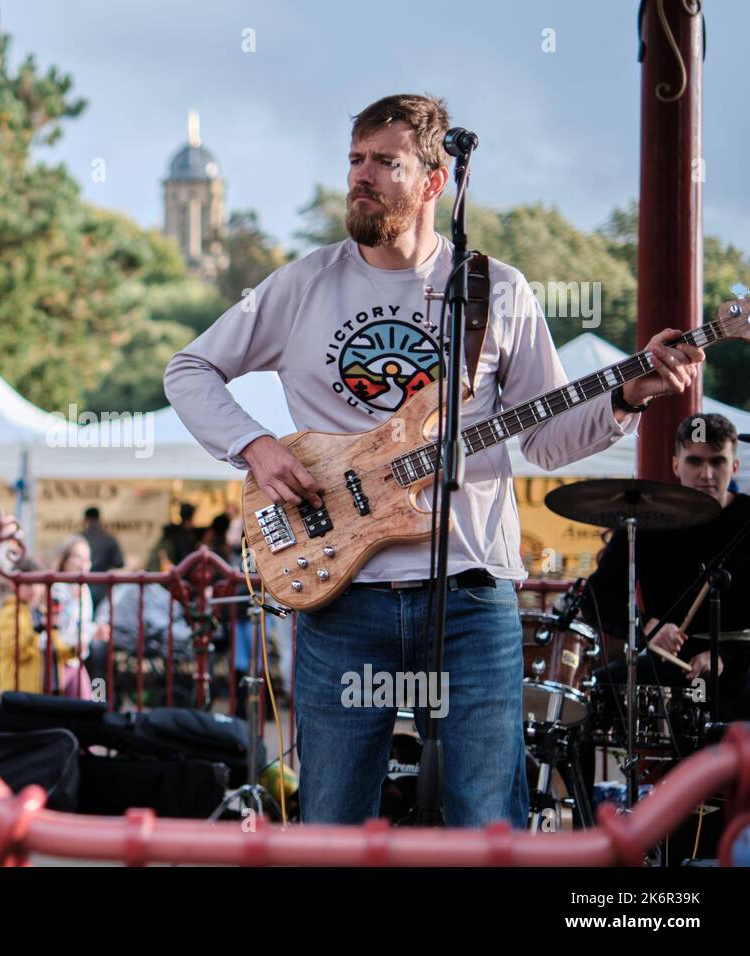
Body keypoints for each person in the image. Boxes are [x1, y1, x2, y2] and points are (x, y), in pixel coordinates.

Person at [164, 93, 703, 827]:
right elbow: (188, 369)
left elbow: (545, 438)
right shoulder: (301, 285)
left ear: (433, 181)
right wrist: (254, 445)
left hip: (471, 594)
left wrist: (625, 397)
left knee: (489, 819)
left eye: (384, 162)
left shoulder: (494, 290)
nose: (361, 176)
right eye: (354, 160)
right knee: (332, 821)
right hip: (340, 593)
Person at [585, 413, 750, 729]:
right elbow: (598, 597)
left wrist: (723, 656)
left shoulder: (748, 520)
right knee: (584, 700)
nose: (706, 473)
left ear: (734, 466)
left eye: (717, 461)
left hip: (741, 665)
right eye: (694, 461)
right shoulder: (646, 520)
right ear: (676, 465)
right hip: (667, 666)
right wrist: (646, 627)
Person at [51, 535, 111, 697]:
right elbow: (57, 628)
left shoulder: (84, 589)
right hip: (58, 662)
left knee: (86, 705)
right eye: (78, 557)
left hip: (77, 661)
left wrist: (95, 631)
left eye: (87, 558)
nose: (84, 563)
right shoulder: (56, 589)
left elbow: (84, 625)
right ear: (65, 560)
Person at [0, 557, 64, 693]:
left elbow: (57, 650)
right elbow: (18, 652)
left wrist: (73, 648)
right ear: (13, 585)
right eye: (28, 584)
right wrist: (39, 630)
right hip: (20, 690)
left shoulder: (41, 612)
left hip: (47, 687)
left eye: (37, 584)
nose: (34, 590)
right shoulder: (10, 612)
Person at [81, 506, 124, 610]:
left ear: (85, 519)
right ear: (100, 519)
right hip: (103, 586)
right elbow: (120, 563)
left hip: (82, 584)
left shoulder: (78, 539)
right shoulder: (109, 539)